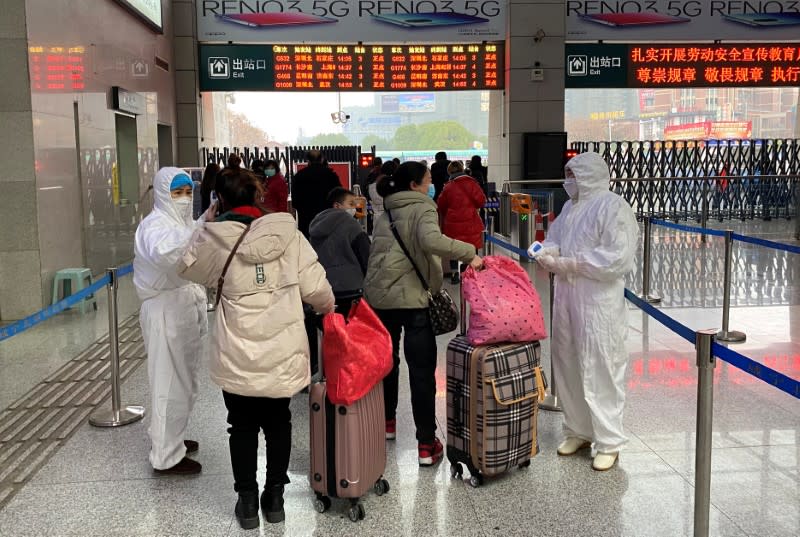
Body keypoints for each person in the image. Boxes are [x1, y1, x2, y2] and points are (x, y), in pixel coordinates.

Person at [178, 166, 334, 529]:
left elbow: (183, 267)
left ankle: (247, 501)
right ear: (258, 197)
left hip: (238, 352)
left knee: (241, 426)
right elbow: (317, 289)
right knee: (280, 422)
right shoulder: (287, 233)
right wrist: (328, 308)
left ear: (219, 199)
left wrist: (204, 223)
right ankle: (275, 497)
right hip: (283, 350)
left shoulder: (214, 239)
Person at [365, 162, 482, 466]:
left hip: (380, 298)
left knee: (387, 364)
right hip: (414, 299)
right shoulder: (423, 207)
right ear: (416, 184)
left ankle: (387, 424)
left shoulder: (386, 210)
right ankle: (426, 445)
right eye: (429, 180)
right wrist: (470, 253)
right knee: (421, 372)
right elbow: (431, 241)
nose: (432, 184)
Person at [531, 151, 639, 472]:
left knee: (601, 366)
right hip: (566, 297)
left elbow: (617, 258)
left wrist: (570, 264)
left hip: (598, 303)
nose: (569, 181)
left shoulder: (613, 207)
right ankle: (578, 429)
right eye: (568, 174)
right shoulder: (569, 207)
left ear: (590, 174)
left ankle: (609, 440)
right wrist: (547, 252)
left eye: (574, 174)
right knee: (568, 362)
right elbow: (557, 238)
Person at [133, 167, 217, 475]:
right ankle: (165, 457)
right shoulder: (153, 226)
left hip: (182, 307)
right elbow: (167, 252)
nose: (183, 199)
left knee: (184, 380)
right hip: (165, 311)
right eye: (176, 193)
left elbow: (186, 241)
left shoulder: (178, 222)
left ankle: (173, 439)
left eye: (187, 193)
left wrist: (200, 223)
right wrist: (199, 229)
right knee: (168, 382)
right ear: (162, 194)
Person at [309, 187, 371, 318]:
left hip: (325, 287)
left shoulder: (315, 226)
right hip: (352, 287)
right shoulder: (351, 225)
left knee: (332, 330)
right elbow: (366, 257)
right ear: (337, 205)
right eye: (351, 204)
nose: (354, 208)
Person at [437, 161, 487, 284]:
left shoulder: (448, 186)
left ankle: (455, 274)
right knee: (471, 246)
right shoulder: (472, 183)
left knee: (453, 247)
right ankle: (470, 271)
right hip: (470, 220)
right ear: (462, 169)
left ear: (449, 172)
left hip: (452, 223)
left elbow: (441, 205)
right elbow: (481, 201)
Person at [291, 150, 342, 238]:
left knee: (308, 246)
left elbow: (295, 201)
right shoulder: (331, 175)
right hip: (327, 218)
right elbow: (339, 196)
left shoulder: (299, 176)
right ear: (322, 159)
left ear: (308, 160)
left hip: (306, 220)